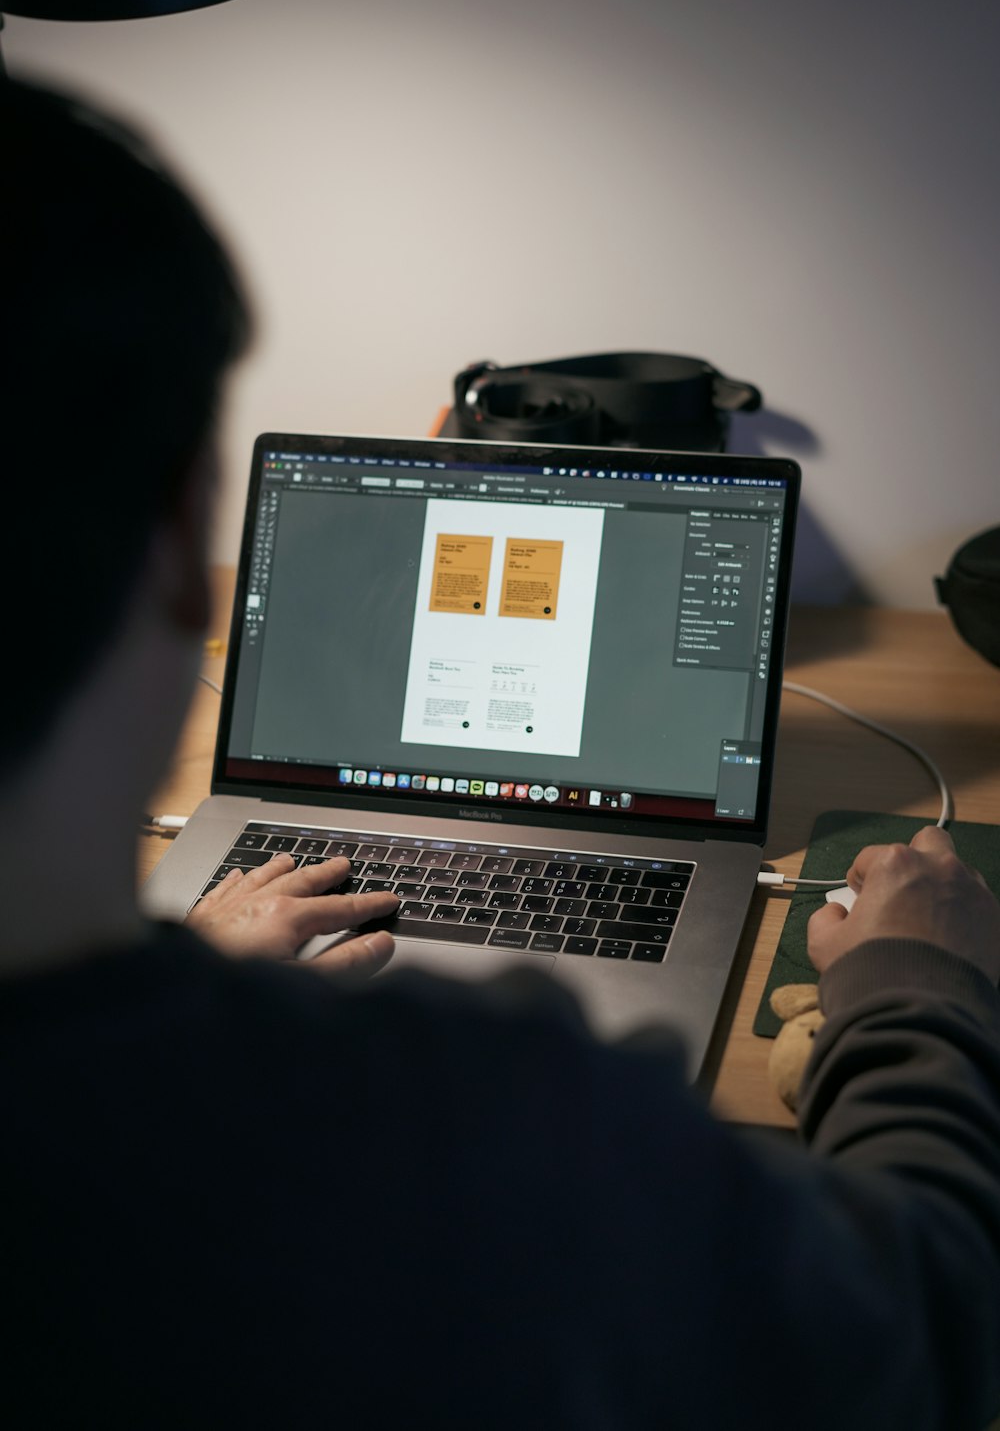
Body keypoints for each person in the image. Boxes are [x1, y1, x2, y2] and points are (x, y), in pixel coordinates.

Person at [2, 75, 1000, 1431]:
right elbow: (931, 1326)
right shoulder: (504, 1130)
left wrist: (196, 966)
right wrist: (915, 986)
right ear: (192, 546)